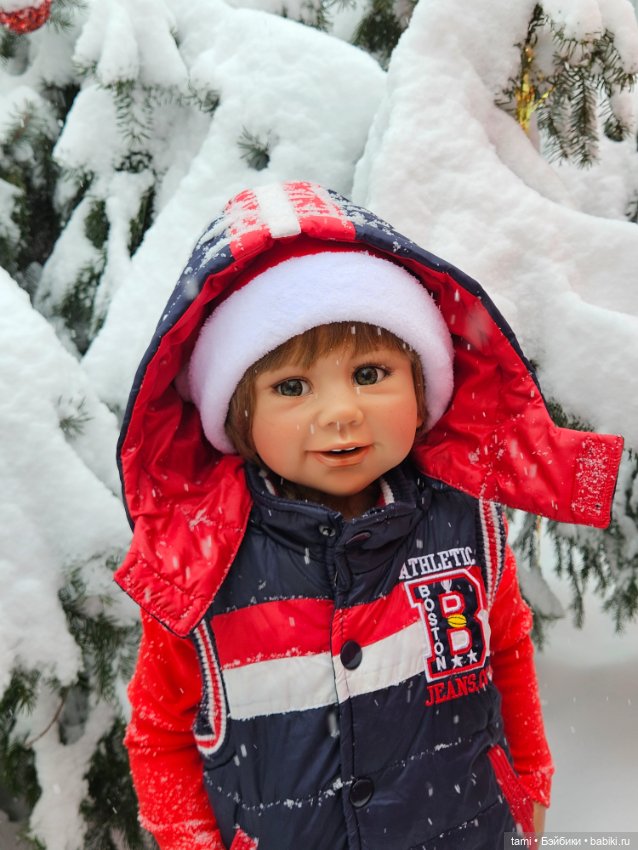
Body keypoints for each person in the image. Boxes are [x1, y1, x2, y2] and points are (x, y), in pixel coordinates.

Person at [116, 181, 623, 850]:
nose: (340, 412)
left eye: (370, 373)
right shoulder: (200, 564)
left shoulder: (463, 524)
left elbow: (504, 649)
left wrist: (529, 777)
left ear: (421, 391)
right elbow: (159, 732)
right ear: (238, 419)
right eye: (292, 387)